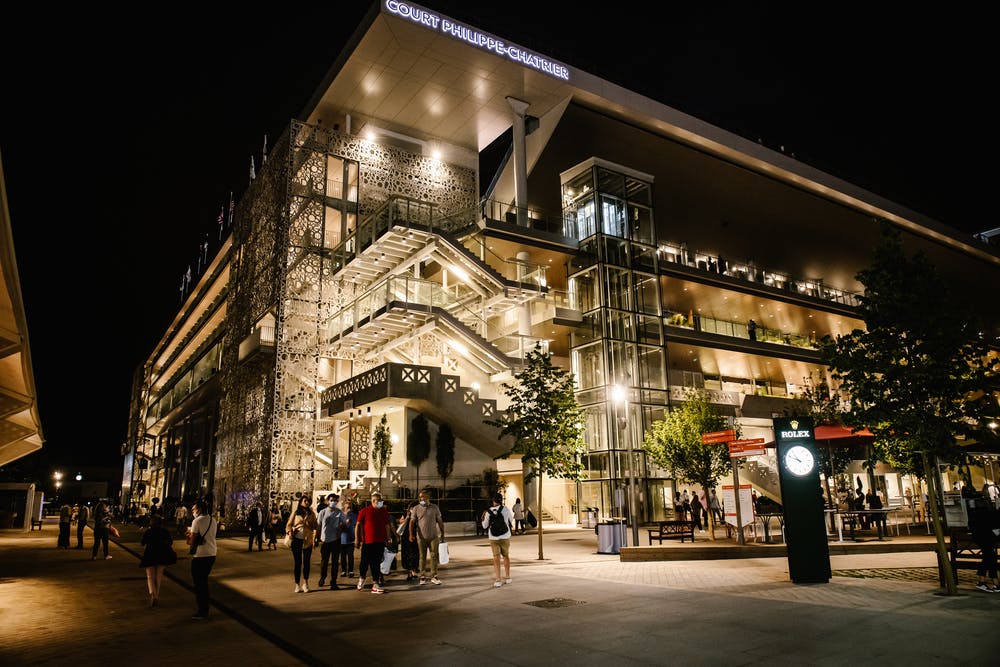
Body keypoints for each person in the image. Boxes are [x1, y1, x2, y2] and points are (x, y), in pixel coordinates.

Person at [355, 492, 393, 594]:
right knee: (364, 562)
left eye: (381, 500)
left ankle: (375, 583)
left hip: (380, 541)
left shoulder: (384, 512)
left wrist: (389, 539)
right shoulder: (364, 511)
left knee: (376, 563)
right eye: (379, 500)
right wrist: (357, 539)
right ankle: (362, 578)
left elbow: (387, 526)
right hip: (368, 542)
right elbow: (358, 525)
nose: (381, 502)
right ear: (373, 501)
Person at [188, 499, 218, 619]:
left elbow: (193, 540)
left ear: (199, 509)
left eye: (193, 509)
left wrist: (189, 536)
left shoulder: (197, 521)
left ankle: (202, 610)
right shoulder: (213, 520)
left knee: (199, 584)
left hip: (200, 555)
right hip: (212, 553)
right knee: (203, 581)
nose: (193, 511)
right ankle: (204, 607)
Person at [409, 489, 446, 585]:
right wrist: (411, 534)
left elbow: (440, 521)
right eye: (420, 497)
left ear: (427, 497)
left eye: (423, 497)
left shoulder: (434, 507)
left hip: (433, 537)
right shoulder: (416, 508)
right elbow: (412, 522)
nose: (421, 498)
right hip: (421, 538)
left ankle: (434, 576)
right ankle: (422, 576)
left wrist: (442, 534)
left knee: (434, 556)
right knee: (422, 557)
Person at [139, 514, 176, 607]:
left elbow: (142, 543)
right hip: (162, 555)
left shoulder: (149, 531)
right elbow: (170, 542)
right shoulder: (165, 531)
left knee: (150, 576)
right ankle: (156, 596)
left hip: (150, 554)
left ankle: (153, 594)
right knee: (158, 576)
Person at [285, 495, 319, 593]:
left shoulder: (311, 513)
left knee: (306, 562)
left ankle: (306, 584)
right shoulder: (295, 513)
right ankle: (297, 585)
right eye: (305, 501)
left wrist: (309, 525)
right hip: (296, 540)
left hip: (307, 541)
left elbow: (316, 526)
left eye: (308, 501)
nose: (307, 502)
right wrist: (289, 532)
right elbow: (288, 525)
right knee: (298, 563)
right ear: (300, 502)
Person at [482, 493, 514, 588]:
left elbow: (485, 526)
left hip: (493, 538)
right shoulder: (505, 509)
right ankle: (507, 577)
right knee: (506, 556)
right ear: (501, 501)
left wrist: (483, 517)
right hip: (505, 536)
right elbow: (510, 520)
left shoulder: (488, 512)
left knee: (496, 558)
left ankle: (498, 579)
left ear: (493, 501)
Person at [317, 494, 348, 589]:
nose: (333, 502)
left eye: (335, 500)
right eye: (331, 500)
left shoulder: (339, 512)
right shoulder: (322, 512)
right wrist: (316, 538)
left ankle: (333, 581)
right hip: (325, 540)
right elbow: (318, 526)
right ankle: (323, 577)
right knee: (324, 562)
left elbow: (345, 525)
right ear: (327, 501)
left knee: (335, 562)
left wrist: (342, 526)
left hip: (335, 540)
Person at [968, 499, 1000, 592]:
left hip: (981, 538)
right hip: (987, 538)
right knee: (990, 558)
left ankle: (984, 581)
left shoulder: (976, 514)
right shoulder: (993, 514)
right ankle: (993, 582)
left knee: (989, 557)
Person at [397, 501, 420, 581]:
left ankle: (413, 571)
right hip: (406, 537)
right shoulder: (406, 514)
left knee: (414, 554)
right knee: (408, 554)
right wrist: (407, 517)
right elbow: (400, 522)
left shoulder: (417, 515)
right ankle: (410, 572)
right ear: (410, 508)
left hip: (413, 537)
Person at [339, 500, 357, 577]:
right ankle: (343, 570)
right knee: (342, 556)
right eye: (347, 505)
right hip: (341, 539)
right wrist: (344, 523)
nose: (348, 507)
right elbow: (339, 526)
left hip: (351, 539)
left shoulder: (354, 515)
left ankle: (350, 571)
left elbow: (357, 526)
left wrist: (357, 538)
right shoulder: (340, 515)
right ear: (344, 507)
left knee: (350, 556)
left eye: (349, 506)